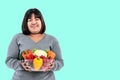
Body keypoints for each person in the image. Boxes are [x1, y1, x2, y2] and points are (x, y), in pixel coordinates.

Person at [5, 8, 64, 80]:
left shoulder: (52, 40)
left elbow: (60, 62)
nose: (33, 22)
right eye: (30, 20)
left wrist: (53, 65)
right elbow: (9, 60)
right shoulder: (18, 38)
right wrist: (21, 65)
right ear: (26, 23)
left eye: (36, 19)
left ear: (41, 21)